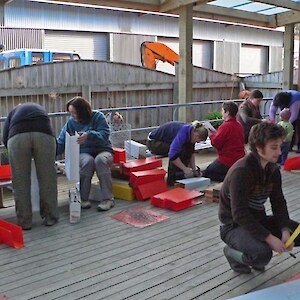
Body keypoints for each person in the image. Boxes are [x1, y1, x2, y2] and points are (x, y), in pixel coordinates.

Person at [219, 122, 300, 274]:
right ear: (258, 147)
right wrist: (270, 238)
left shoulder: (272, 169)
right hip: (233, 226)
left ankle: (254, 252)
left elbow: (278, 203)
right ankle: (233, 254)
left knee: (296, 234)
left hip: (258, 220)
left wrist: (285, 230)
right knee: (262, 255)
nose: (279, 152)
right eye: (273, 147)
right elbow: (239, 214)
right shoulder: (242, 171)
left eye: (279, 146)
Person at [2, 102, 58, 230]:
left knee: (20, 181)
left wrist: (15, 153)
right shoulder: (40, 110)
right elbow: (51, 132)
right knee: (47, 178)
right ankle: (50, 217)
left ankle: (24, 221)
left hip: (17, 136)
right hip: (43, 134)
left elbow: (5, 137)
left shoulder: (13, 112)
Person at [57, 96, 114, 211]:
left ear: (82, 111)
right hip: (84, 153)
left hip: (103, 150)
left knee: (100, 160)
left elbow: (104, 135)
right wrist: (50, 153)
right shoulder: (70, 123)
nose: (72, 115)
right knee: (88, 161)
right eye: (70, 113)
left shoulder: (98, 117)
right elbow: (62, 142)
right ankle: (83, 198)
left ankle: (108, 199)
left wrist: (89, 135)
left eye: (74, 112)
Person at [202, 102, 245, 182]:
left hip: (227, 160)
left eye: (222, 111)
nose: (221, 113)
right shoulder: (239, 125)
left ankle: (228, 179)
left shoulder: (225, 126)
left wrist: (210, 134)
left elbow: (215, 143)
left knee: (207, 173)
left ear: (227, 112)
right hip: (239, 158)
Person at [167, 120, 208, 186]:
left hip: (169, 141)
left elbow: (191, 152)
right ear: (196, 135)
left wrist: (194, 169)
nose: (196, 143)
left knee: (187, 147)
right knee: (180, 151)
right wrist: (185, 169)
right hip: (154, 143)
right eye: (198, 141)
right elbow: (172, 154)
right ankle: (172, 179)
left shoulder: (191, 133)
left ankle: (181, 175)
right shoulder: (183, 132)